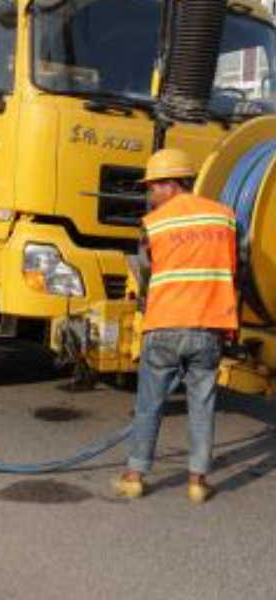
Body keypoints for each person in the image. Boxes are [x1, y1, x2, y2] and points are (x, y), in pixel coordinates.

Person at [114, 148, 238, 504]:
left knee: (149, 403)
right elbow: (232, 270)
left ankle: (134, 476)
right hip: (208, 326)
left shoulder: (154, 224)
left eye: (153, 187)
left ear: (169, 185)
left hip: (165, 324)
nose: (151, 195)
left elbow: (147, 273)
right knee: (203, 403)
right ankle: (198, 481)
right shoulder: (224, 217)